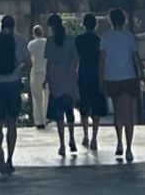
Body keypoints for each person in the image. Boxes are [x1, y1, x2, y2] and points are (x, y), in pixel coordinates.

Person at [99, 6, 144, 161]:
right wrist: (141, 73)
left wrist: (101, 79)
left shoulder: (105, 37)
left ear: (111, 21)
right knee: (129, 113)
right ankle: (129, 148)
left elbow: (102, 60)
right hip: (129, 76)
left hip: (112, 78)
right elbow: (136, 57)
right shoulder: (129, 36)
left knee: (118, 112)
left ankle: (119, 142)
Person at [0, 14, 29, 175]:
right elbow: (28, 62)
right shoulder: (18, 40)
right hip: (13, 84)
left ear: (1, 25)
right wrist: (19, 69)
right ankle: (10, 158)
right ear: (13, 26)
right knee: (12, 122)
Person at [43, 12, 80, 159]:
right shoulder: (70, 40)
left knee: (58, 115)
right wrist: (74, 73)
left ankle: (62, 144)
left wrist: (46, 79)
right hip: (68, 77)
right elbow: (76, 59)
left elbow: (49, 63)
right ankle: (72, 137)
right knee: (69, 110)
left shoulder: (50, 42)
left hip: (55, 78)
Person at [74, 11, 107, 149]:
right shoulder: (100, 41)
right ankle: (94, 136)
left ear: (83, 25)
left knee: (84, 107)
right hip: (96, 75)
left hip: (83, 75)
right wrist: (102, 79)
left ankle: (86, 135)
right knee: (96, 109)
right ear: (96, 25)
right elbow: (102, 61)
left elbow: (76, 61)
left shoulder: (78, 40)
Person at [27, 23, 47, 131]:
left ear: (34, 34)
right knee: (46, 96)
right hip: (46, 72)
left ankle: (39, 121)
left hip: (35, 71)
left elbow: (28, 57)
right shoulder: (47, 43)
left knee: (37, 97)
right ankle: (44, 118)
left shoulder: (31, 44)